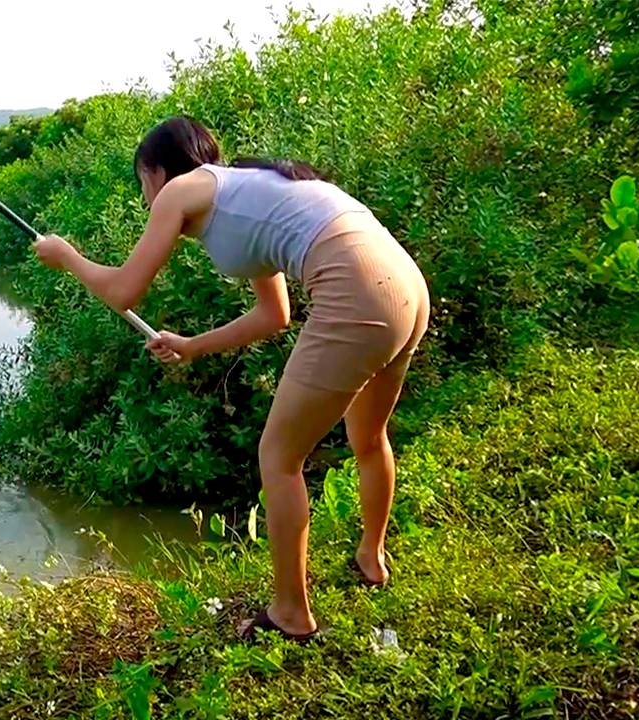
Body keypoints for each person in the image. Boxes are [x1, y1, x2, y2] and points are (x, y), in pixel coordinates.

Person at [31, 115, 430, 643]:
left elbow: (125, 291)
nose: (147, 199)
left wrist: (69, 258)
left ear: (155, 172)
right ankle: (371, 559)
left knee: (278, 457)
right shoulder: (244, 194)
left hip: (359, 292)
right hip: (406, 287)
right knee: (368, 435)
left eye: (142, 183)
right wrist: (192, 346)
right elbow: (275, 315)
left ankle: (291, 613)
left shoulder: (181, 191)